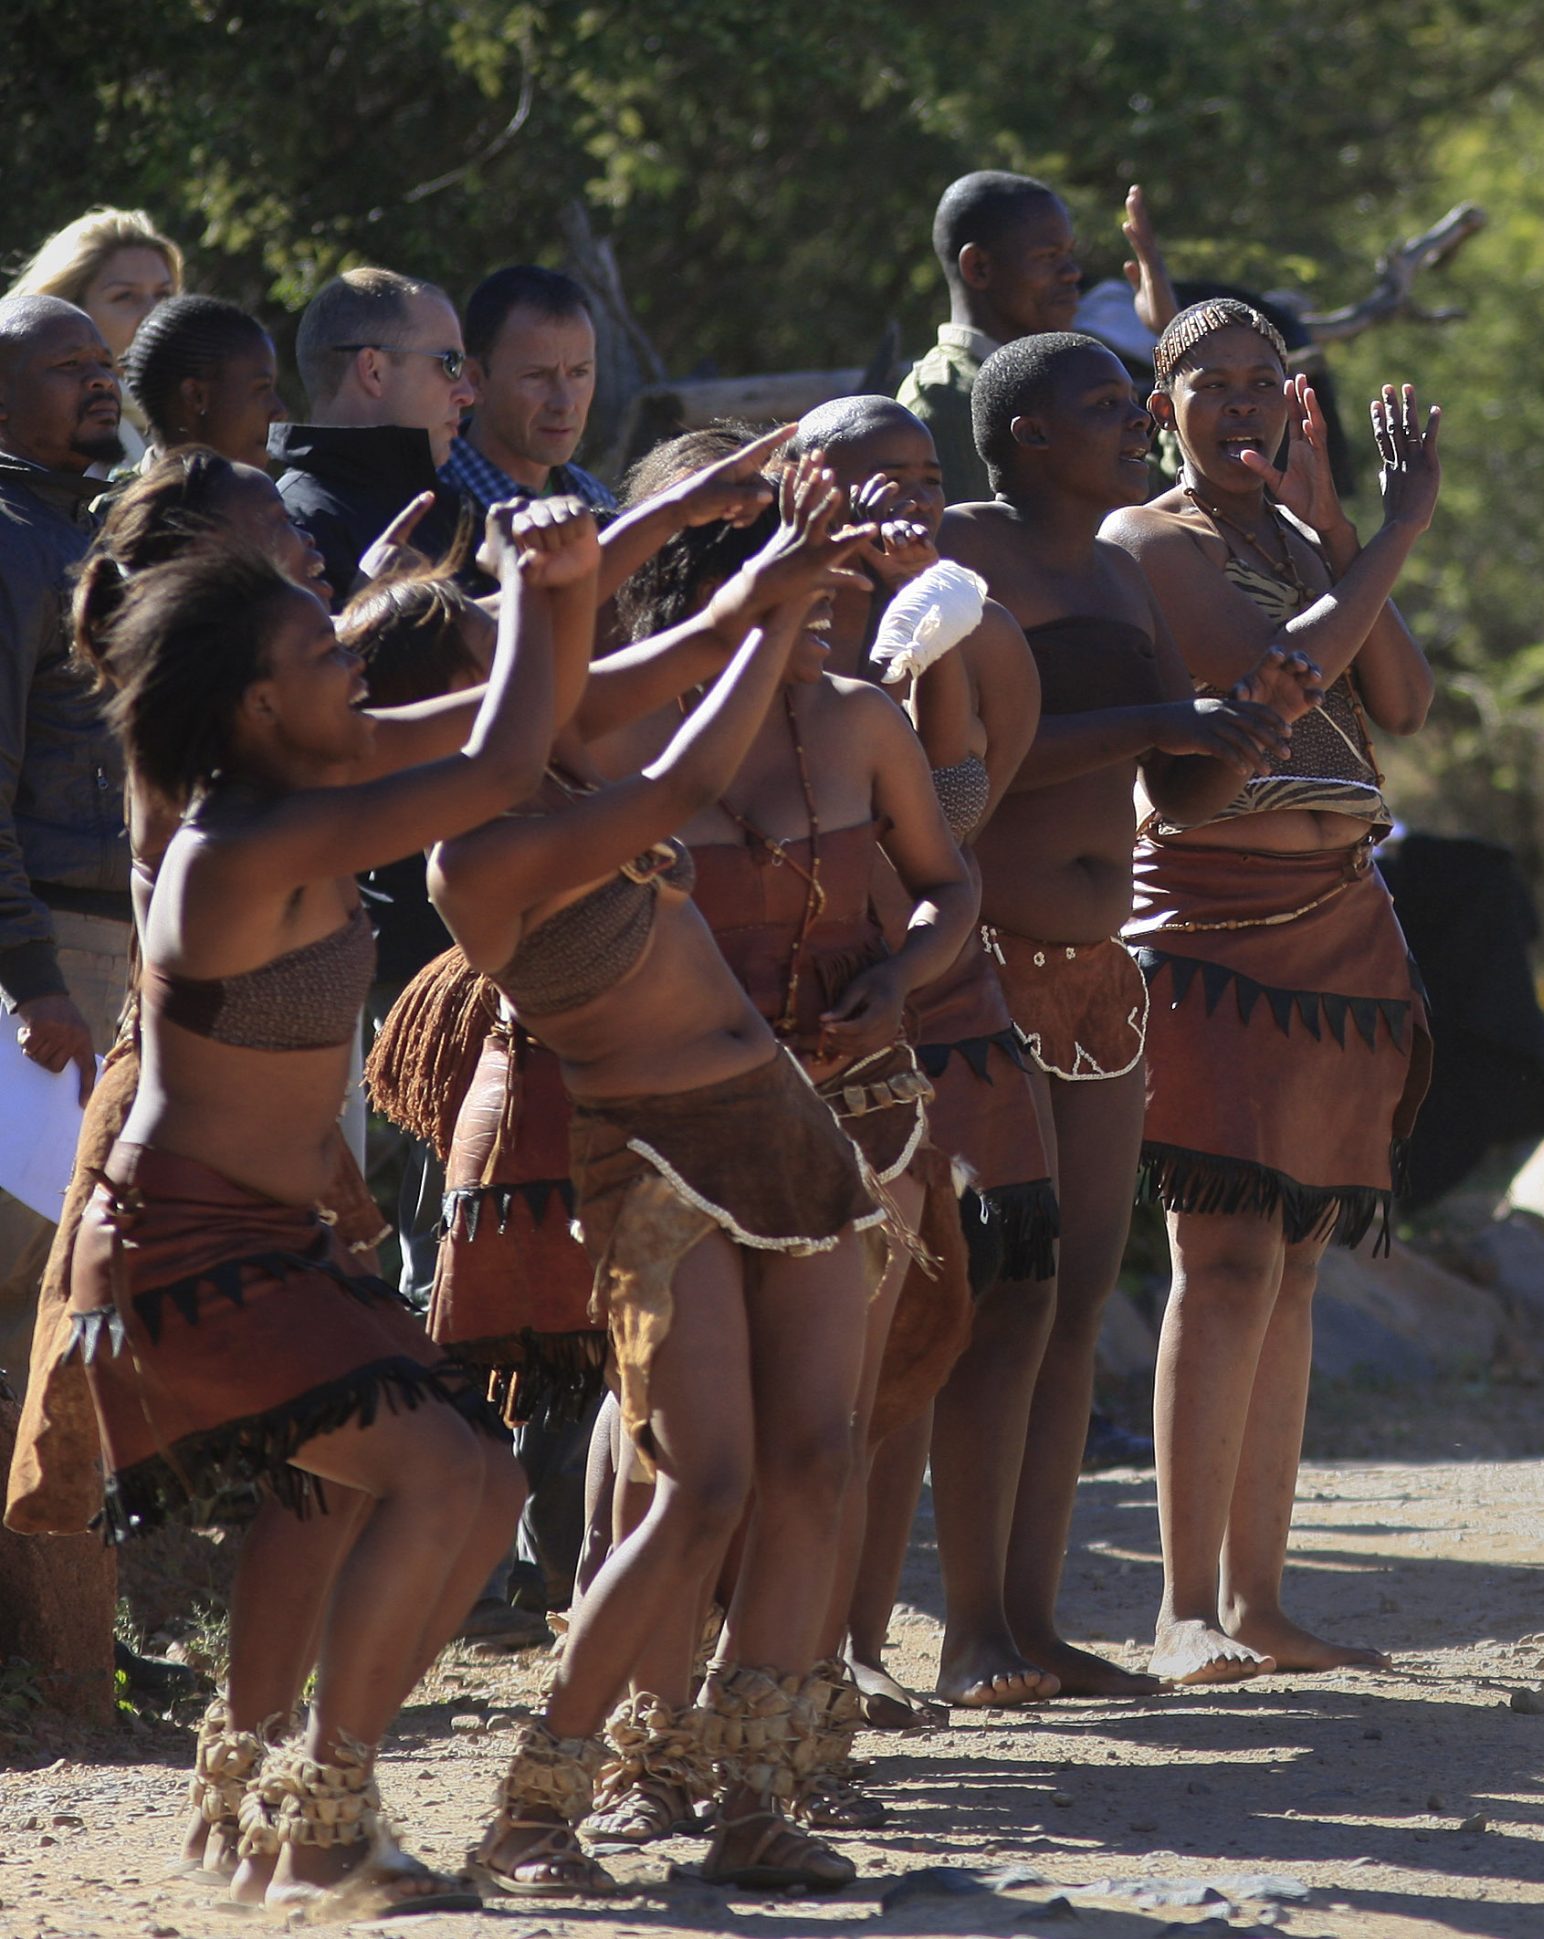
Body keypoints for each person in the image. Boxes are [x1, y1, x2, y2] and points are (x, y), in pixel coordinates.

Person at [72, 493, 570, 1914]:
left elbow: (543, 704)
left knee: (481, 1478)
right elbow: (514, 749)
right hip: (193, 1240)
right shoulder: (235, 840)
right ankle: (318, 1819)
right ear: (252, 701)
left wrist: (746, 582)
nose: (351, 642)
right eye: (320, 632)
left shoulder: (304, 781)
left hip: (283, 1233)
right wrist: (551, 577)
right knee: (428, 1473)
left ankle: (307, 1793)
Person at [434, 461, 882, 1894]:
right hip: (656, 1157)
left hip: (779, 1116)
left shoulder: (562, 735)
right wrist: (780, 597)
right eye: (494, 664)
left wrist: (745, 520)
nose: (536, 672)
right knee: (708, 1483)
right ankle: (537, 1804)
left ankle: (754, 1802)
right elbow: (693, 769)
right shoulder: (479, 850)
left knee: (818, 1459)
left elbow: (703, 624)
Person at [931, 330, 1289, 1700]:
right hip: (988, 964)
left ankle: (1033, 1620)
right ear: (1023, 433)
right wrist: (1162, 710)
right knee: (998, 1296)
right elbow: (965, 758)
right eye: (1101, 406)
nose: (1135, 418)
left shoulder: (1127, 563)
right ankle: (965, 1633)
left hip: (1100, 971)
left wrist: (1228, 739)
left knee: (1078, 1295)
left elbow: (1171, 780)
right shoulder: (963, 556)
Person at [1102, 299, 1440, 1683]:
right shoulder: (1149, 542)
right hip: (1212, 928)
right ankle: (1182, 1608)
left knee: (1295, 1261)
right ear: (1160, 413)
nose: (1241, 408)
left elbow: (1402, 700)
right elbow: (1271, 677)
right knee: (1222, 1256)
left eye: (1265, 386)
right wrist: (1407, 521)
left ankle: (1261, 1600)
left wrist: (1351, 534)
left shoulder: (1304, 541)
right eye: (1211, 387)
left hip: (1341, 933)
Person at [784, 393, 1048, 1723]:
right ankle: (760, 1652)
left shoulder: (975, 630)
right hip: (775, 1016)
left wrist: (929, 641)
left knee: (905, 1344)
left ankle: (861, 1644)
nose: (906, 500)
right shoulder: (752, 623)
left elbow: (943, 827)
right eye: (869, 475)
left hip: (922, 1001)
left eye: (926, 475)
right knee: (788, 1359)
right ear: (801, 483)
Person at [0, 296, 127, 1387]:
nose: (98, 377)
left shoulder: (88, 527)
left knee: (54, 1306)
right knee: (13, 1284)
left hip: (109, 946)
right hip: (44, 963)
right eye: (63, 365)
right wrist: (32, 978)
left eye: (103, 359)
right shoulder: (7, 542)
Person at [271, 267, 473, 605]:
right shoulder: (291, 526)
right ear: (373, 370)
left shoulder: (454, 509)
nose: (467, 393)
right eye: (451, 364)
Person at [898, 171, 1087, 507]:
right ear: (978, 267)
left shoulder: (1065, 381)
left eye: (1069, 254)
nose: (1072, 272)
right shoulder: (944, 402)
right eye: (1048, 257)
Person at [8, 208, 182, 469]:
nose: (155, 314)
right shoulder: (34, 434)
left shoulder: (192, 419)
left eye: (164, 295)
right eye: (125, 296)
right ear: (67, 311)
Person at [441, 266, 618, 518]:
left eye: (578, 373)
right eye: (536, 376)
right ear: (474, 380)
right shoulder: (425, 500)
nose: (564, 403)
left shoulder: (597, 503)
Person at [120, 296, 286, 469]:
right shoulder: (123, 496)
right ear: (195, 395)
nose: (280, 411)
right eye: (262, 389)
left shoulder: (271, 494)